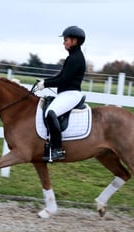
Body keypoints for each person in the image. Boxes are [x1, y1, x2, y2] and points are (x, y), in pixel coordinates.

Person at [37, 25, 86, 161]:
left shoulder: (76, 58)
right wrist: (45, 81)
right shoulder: (72, 57)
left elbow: (64, 80)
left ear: (75, 41)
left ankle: (57, 149)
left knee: (50, 113)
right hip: (66, 93)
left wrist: (46, 83)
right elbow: (60, 77)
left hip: (71, 94)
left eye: (66, 39)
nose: (63, 42)